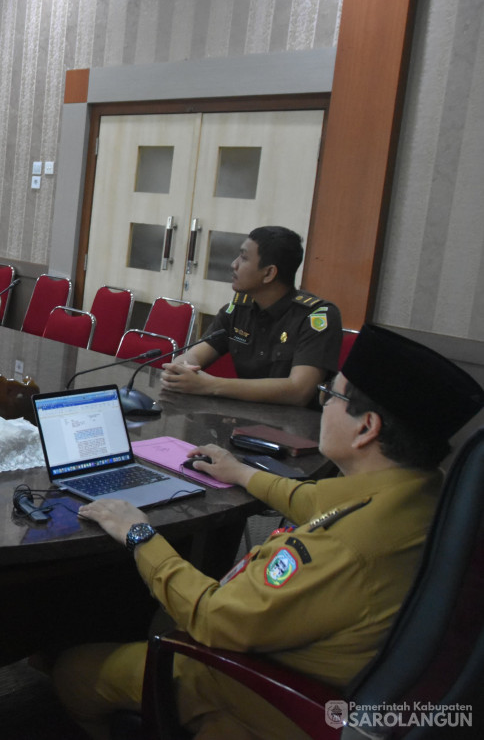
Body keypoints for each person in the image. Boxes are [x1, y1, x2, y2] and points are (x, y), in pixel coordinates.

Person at [52, 324, 484, 739]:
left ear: (366, 428)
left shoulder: (346, 546)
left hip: (270, 693)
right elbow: (314, 499)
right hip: (337, 667)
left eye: (331, 395)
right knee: (153, 616)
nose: (323, 404)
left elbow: (213, 618)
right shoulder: (423, 492)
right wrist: (239, 471)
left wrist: (140, 535)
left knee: (70, 669)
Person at [161, 226, 341, 407]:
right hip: (244, 418)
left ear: (269, 273)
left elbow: (299, 390)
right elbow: (195, 355)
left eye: (244, 258)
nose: (234, 264)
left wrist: (210, 385)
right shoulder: (238, 309)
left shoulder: (316, 317)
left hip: (294, 428)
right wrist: (180, 369)